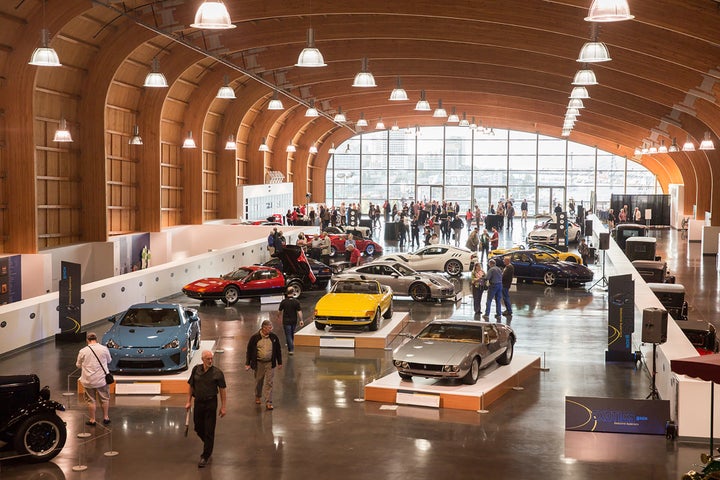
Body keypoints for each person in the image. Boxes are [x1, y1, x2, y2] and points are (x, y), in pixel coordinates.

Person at [186, 350, 227, 468]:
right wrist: (188, 401)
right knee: (198, 427)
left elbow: (223, 390)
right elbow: (191, 386)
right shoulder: (196, 370)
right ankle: (208, 444)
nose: (210, 361)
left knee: (209, 430)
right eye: (208, 359)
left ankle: (205, 456)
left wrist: (223, 407)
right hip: (198, 402)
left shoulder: (217, 373)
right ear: (202, 359)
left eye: (211, 359)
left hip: (211, 403)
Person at [76, 332, 112, 427]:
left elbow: (78, 365)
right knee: (105, 399)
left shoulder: (83, 351)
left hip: (88, 381)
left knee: (91, 400)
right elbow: (109, 360)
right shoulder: (104, 349)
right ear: (96, 339)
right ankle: (106, 417)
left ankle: (92, 419)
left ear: (87, 340)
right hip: (102, 380)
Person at [245, 320, 283, 411]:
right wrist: (247, 363)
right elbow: (249, 351)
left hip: (270, 363)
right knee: (259, 381)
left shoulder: (274, 337)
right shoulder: (255, 338)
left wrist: (280, 362)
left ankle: (268, 402)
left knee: (269, 382)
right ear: (264, 328)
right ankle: (258, 396)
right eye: (270, 328)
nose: (271, 329)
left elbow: (278, 350)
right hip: (259, 363)